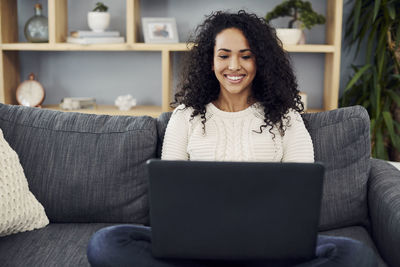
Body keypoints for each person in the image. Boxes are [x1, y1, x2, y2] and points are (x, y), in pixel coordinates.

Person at [87, 11, 378, 267]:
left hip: (270, 245)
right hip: (197, 244)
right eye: (224, 55)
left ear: (260, 61)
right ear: (210, 61)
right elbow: (171, 200)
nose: (234, 66)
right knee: (106, 242)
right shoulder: (185, 116)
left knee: (356, 255)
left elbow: (300, 198)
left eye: (246, 56)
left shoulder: (286, 118)